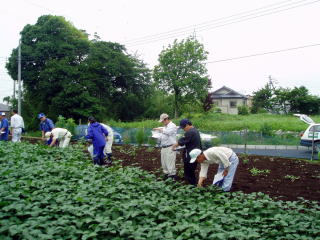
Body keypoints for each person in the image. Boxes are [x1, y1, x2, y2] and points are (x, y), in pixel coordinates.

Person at [172, 119, 201, 185]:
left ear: (187, 125)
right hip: (195, 154)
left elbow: (182, 141)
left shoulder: (190, 132)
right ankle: (191, 184)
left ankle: (192, 185)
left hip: (191, 155)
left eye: (183, 127)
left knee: (189, 171)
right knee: (191, 171)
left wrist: (174, 146)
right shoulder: (195, 130)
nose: (183, 129)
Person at [153, 113, 178, 179]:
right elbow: (163, 136)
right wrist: (156, 136)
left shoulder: (172, 126)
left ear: (166, 119)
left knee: (170, 163)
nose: (162, 123)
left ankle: (172, 177)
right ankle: (166, 175)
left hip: (170, 147)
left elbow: (168, 132)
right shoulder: (165, 127)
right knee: (164, 163)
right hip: (163, 147)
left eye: (162, 121)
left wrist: (160, 129)